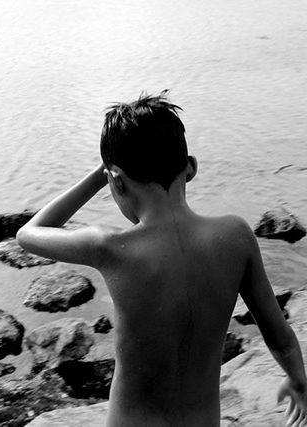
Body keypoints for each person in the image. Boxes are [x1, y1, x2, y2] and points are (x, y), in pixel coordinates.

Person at [16, 92, 307, 426]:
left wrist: (100, 174)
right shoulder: (236, 237)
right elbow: (279, 335)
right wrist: (298, 380)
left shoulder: (110, 247)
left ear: (116, 181)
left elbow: (29, 233)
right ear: (191, 167)